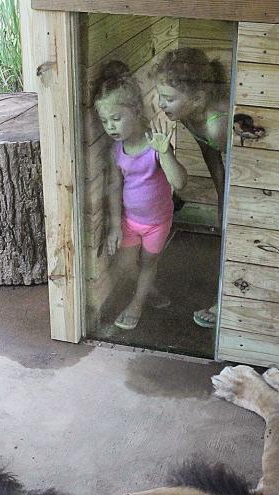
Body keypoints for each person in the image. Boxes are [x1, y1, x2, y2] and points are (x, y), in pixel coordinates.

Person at [95, 61, 188, 331]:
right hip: (130, 221)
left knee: (148, 262)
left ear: (136, 112)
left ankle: (137, 303)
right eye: (104, 121)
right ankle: (147, 291)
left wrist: (165, 152)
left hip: (158, 221)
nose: (110, 127)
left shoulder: (154, 144)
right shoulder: (117, 149)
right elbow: (114, 186)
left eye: (116, 118)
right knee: (126, 265)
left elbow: (180, 183)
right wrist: (114, 226)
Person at [153, 48, 230, 329]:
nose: (162, 104)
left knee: (235, 237)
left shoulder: (217, 125)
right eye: (160, 95)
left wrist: (233, 202)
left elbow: (240, 165)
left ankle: (228, 303)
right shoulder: (187, 112)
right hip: (229, 174)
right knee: (225, 229)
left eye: (169, 98)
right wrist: (222, 194)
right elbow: (210, 153)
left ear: (197, 98)